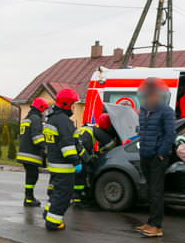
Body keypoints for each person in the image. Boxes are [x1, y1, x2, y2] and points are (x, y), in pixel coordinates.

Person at [136, 79, 176, 238]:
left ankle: (156, 226)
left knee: (156, 191)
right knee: (150, 190)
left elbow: (170, 134)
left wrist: (161, 153)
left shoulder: (166, 111)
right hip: (145, 155)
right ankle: (150, 221)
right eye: (147, 94)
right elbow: (143, 133)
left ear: (159, 95)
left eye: (152, 94)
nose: (149, 97)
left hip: (157, 157)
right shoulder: (144, 110)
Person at [43, 89, 80, 231]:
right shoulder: (64, 121)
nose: (73, 108)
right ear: (66, 104)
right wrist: (76, 162)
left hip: (54, 164)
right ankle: (53, 222)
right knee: (63, 195)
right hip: (64, 166)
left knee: (55, 192)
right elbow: (67, 146)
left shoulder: (52, 119)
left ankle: (48, 213)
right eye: (72, 104)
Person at [72, 113, 122, 206]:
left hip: (74, 152)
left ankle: (79, 196)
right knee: (81, 175)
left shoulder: (91, 127)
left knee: (79, 176)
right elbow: (111, 145)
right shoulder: (99, 132)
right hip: (80, 152)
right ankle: (77, 200)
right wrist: (89, 159)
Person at [16, 97, 49, 206]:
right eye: (44, 110)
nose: (44, 113)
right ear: (40, 108)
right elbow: (37, 138)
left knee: (30, 175)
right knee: (33, 176)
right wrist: (46, 146)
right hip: (31, 154)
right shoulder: (36, 119)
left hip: (24, 152)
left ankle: (28, 197)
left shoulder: (27, 118)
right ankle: (29, 199)